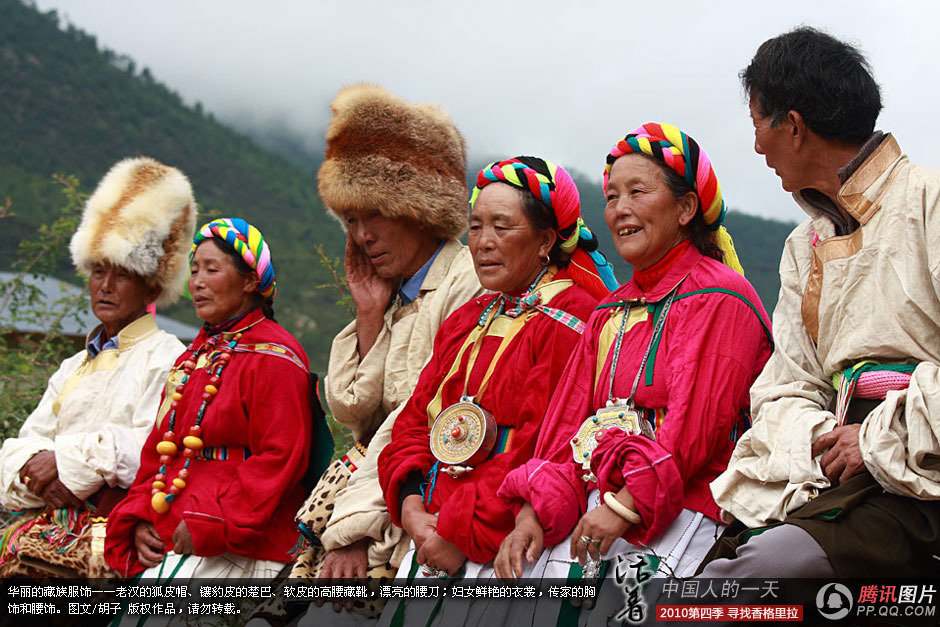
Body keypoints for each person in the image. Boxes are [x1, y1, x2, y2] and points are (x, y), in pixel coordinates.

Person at [495, 124, 773, 606]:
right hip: (601, 500)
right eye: (611, 196)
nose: (619, 209)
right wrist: (532, 514)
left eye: (637, 192)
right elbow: (567, 425)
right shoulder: (611, 310)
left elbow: (693, 430)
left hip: (688, 504)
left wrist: (623, 507)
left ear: (686, 209)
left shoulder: (721, 296)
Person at [702, 27, 940, 578]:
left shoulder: (929, 203)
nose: (758, 145)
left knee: (750, 579)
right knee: (703, 575)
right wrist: (818, 439)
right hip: (835, 469)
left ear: (793, 125)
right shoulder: (801, 246)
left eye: (759, 123)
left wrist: (881, 437)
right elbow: (785, 384)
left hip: (921, 480)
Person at [265, 84, 484, 624]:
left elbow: (416, 419)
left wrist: (356, 531)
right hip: (378, 494)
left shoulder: (466, 285)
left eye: (373, 217)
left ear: (416, 210)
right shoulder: (397, 291)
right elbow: (351, 410)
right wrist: (367, 313)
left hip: (415, 509)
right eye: (351, 221)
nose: (360, 236)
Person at [373, 156, 616, 626]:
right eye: (476, 226)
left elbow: (538, 444)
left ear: (546, 240)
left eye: (502, 227)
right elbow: (412, 423)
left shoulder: (573, 320)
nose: (482, 242)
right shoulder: (467, 318)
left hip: (501, 544)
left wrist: (455, 531)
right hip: (430, 531)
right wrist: (410, 506)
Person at [0, 157, 194, 577]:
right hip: (44, 527)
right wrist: (44, 475)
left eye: (122, 275)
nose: (105, 286)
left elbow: (151, 451)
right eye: (98, 271)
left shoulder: (168, 358)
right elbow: (20, 448)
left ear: (151, 285)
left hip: (113, 537)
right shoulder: (71, 366)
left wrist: (65, 461)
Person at [104, 218, 313, 581]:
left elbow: (281, 457)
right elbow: (159, 449)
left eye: (211, 270)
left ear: (251, 281)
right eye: (194, 270)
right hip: (171, 525)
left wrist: (214, 522)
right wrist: (140, 518)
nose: (196, 282)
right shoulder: (193, 358)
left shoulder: (274, 357)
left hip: (240, 540)